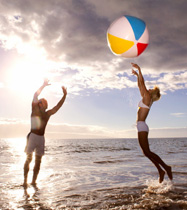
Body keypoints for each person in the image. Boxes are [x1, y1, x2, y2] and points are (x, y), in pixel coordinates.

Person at [131, 63, 173, 183]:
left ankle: (165, 168)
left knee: (147, 151)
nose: (148, 89)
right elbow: (140, 85)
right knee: (146, 152)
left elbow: (142, 84)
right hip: (141, 126)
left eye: (151, 89)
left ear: (152, 93)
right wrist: (137, 75)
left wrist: (139, 69)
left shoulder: (148, 98)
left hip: (142, 126)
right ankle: (161, 170)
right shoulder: (146, 98)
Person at [23, 79, 67, 186]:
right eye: (39, 102)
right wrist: (43, 85)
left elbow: (58, 106)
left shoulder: (47, 114)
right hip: (32, 137)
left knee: (38, 161)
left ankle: (33, 182)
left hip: (41, 139)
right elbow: (35, 95)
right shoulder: (34, 110)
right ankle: (25, 181)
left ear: (45, 105)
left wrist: (64, 95)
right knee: (29, 158)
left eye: (42, 102)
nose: (40, 103)